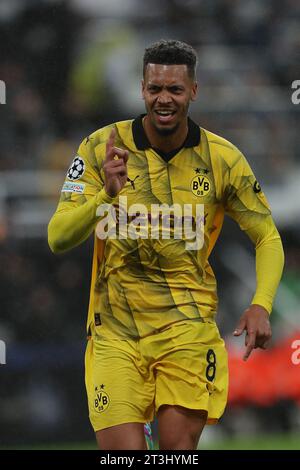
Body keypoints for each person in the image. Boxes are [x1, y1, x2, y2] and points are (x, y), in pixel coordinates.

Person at [48, 39, 284, 450]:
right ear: (142, 88)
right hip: (115, 334)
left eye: (175, 89)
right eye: (155, 88)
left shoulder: (222, 159)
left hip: (187, 331)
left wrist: (261, 303)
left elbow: (267, 236)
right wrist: (104, 196)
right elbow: (58, 237)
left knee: (176, 453)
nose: (164, 99)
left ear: (193, 91)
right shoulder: (100, 147)